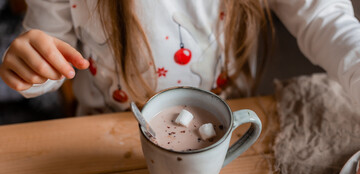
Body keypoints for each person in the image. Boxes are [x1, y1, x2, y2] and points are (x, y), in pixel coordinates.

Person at [0, 0, 359, 115]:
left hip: (225, 131)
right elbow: (49, 50)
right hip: (103, 134)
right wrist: (35, 67)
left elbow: (324, 19)